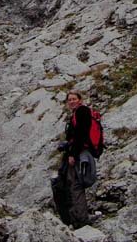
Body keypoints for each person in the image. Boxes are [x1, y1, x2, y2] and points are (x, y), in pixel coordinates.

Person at [52, 90, 92, 229]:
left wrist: (72, 155)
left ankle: (80, 220)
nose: (72, 101)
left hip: (78, 154)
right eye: (69, 99)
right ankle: (74, 217)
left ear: (80, 100)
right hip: (77, 152)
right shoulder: (77, 112)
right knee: (69, 183)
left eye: (74, 99)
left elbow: (81, 135)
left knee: (75, 185)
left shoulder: (82, 112)